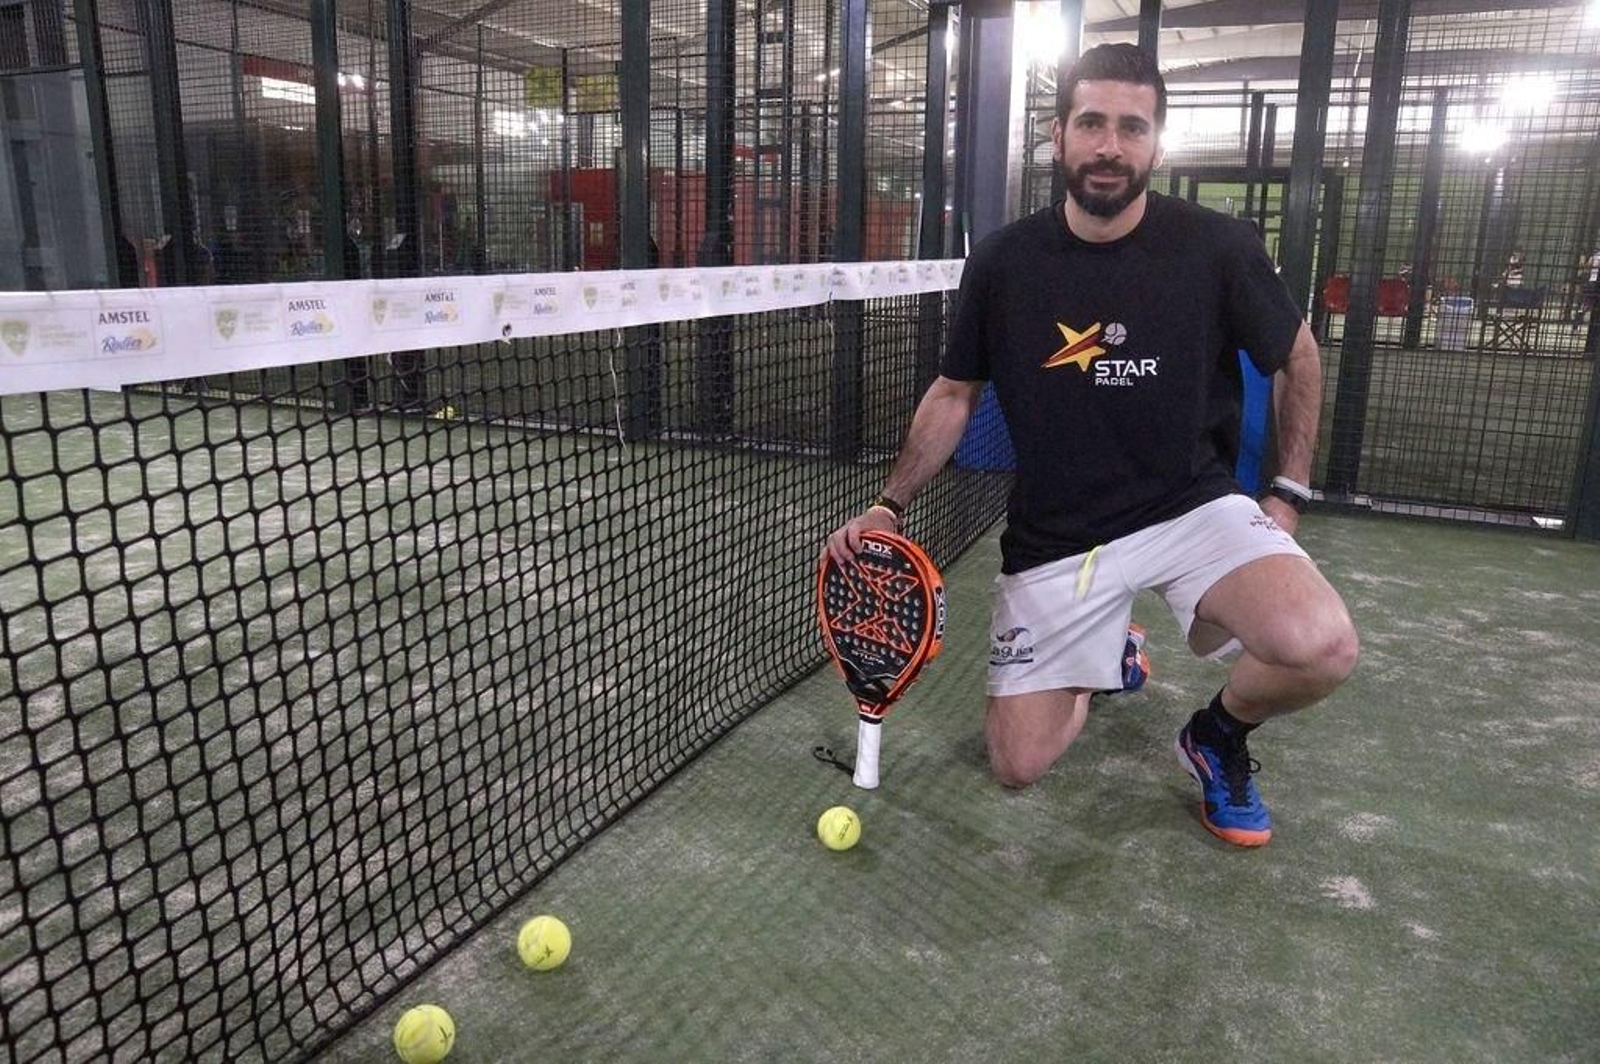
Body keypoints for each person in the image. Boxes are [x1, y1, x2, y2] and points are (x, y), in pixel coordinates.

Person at [824, 44, 1358, 848]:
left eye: (1132, 127)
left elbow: (1299, 355)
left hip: (1191, 506)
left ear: (1157, 143)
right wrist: (887, 505)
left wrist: (1288, 492)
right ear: (1058, 136)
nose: (1111, 145)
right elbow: (954, 391)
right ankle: (1112, 650)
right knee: (1017, 765)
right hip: (1059, 535)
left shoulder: (1218, 246)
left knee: (1321, 646)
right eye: (1092, 123)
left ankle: (1216, 735)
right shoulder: (1004, 261)